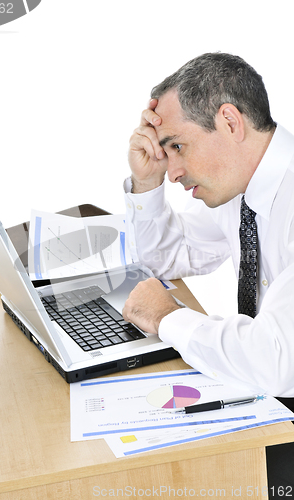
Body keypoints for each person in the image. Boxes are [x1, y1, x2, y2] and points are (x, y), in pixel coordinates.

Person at [121, 52, 294, 497]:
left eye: (177, 146)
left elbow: (278, 361)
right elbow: (166, 260)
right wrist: (148, 182)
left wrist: (168, 319)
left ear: (231, 122)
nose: (174, 170)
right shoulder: (243, 188)